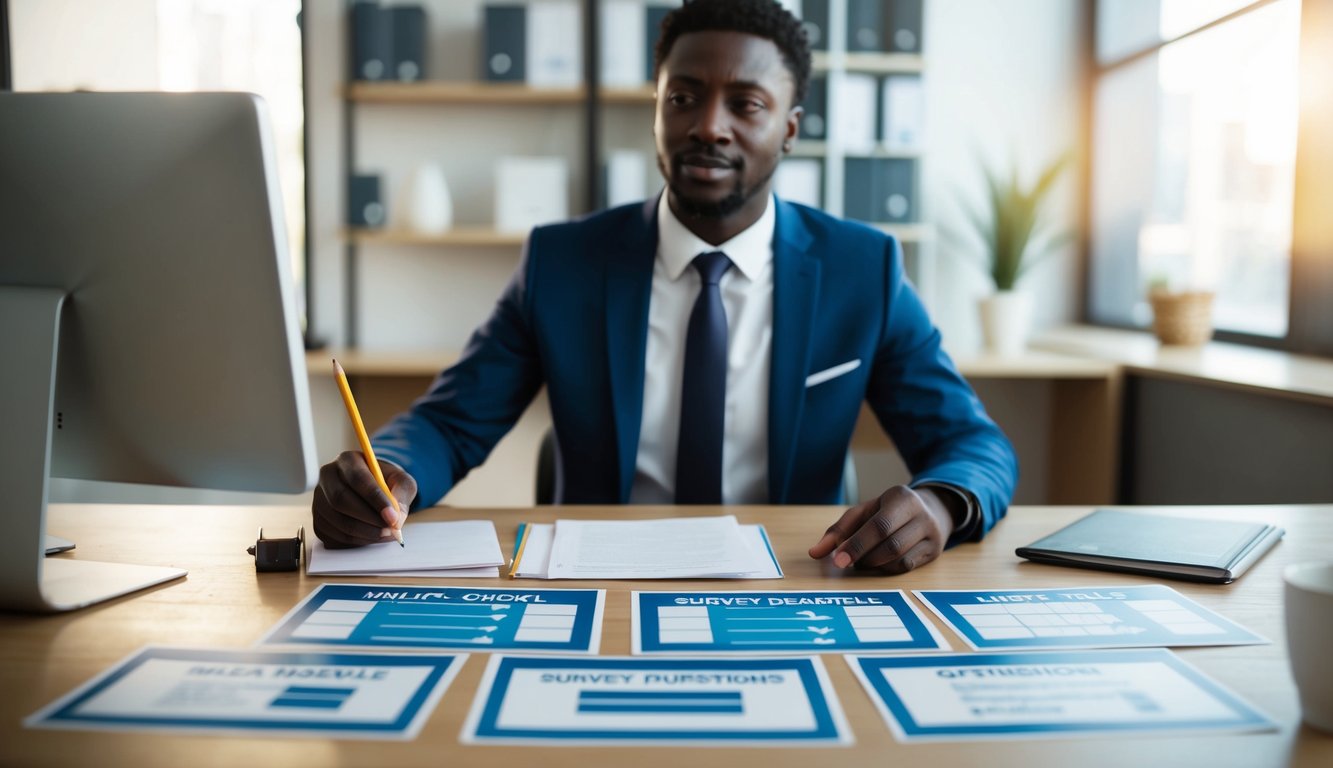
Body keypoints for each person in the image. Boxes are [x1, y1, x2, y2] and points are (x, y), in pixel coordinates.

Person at [313, 0, 1018, 575]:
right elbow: (451, 420)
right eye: (683, 97)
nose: (708, 125)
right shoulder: (562, 261)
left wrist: (941, 504)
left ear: (790, 129)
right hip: (598, 582)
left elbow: (972, 445)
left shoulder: (861, 268)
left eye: (746, 104)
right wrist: (391, 474)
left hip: (792, 582)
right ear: (656, 109)